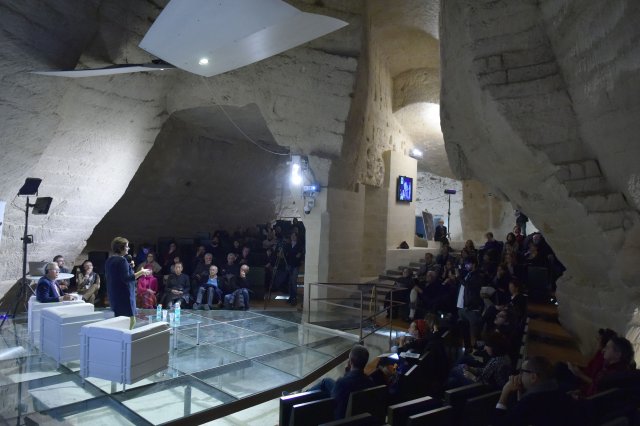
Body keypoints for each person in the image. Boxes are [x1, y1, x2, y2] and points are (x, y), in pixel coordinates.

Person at [494, 356, 579, 426]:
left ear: (533, 377)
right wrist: (521, 391)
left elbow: (498, 424)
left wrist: (505, 391)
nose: (519, 375)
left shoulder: (531, 402)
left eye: (522, 371)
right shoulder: (560, 391)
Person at [307, 344, 374, 420]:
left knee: (325, 383)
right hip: (358, 418)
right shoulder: (370, 381)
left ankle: (305, 394)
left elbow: (333, 401)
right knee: (327, 381)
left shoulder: (342, 383)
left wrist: (346, 374)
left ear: (350, 362)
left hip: (340, 419)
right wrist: (347, 373)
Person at [105, 237, 151, 327]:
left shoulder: (109, 260)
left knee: (119, 321)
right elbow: (127, 278)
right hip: (125, 296)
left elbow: (117, 274)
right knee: (131, 321)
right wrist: (141, 272)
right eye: (126, 246)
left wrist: (129, 266)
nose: (128, 248)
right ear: (120, 248)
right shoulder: (122, 260)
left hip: (114, 295)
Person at [284, 232, 304, 305]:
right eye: (291, 235)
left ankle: (294, 298)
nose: (292, 237)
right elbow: (286, 254)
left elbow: (299, 255)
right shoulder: (288, 245)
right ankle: (291, 297)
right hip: (289, 264)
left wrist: (297, 256)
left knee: (293, 281)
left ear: (296, 237)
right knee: (289, 282)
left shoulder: (299, 245)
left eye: (294, 236)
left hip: (295, 265)